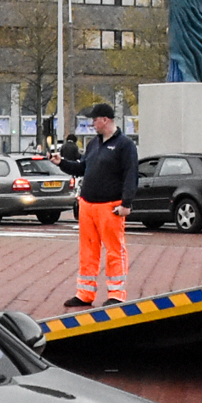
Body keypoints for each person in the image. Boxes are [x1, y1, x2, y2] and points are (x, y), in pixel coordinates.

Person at [67, 103, 136, 309]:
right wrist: (60, 162)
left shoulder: (125, 145)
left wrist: (126, 203)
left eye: (94, 120)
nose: (92, 124)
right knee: (87, 250)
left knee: (115, 249)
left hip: (110, 206)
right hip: (88, 204)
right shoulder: (93, 144)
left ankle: (117, 294)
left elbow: (131, 175)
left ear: (105, 119)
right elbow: (81, 168)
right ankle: (84, 293)